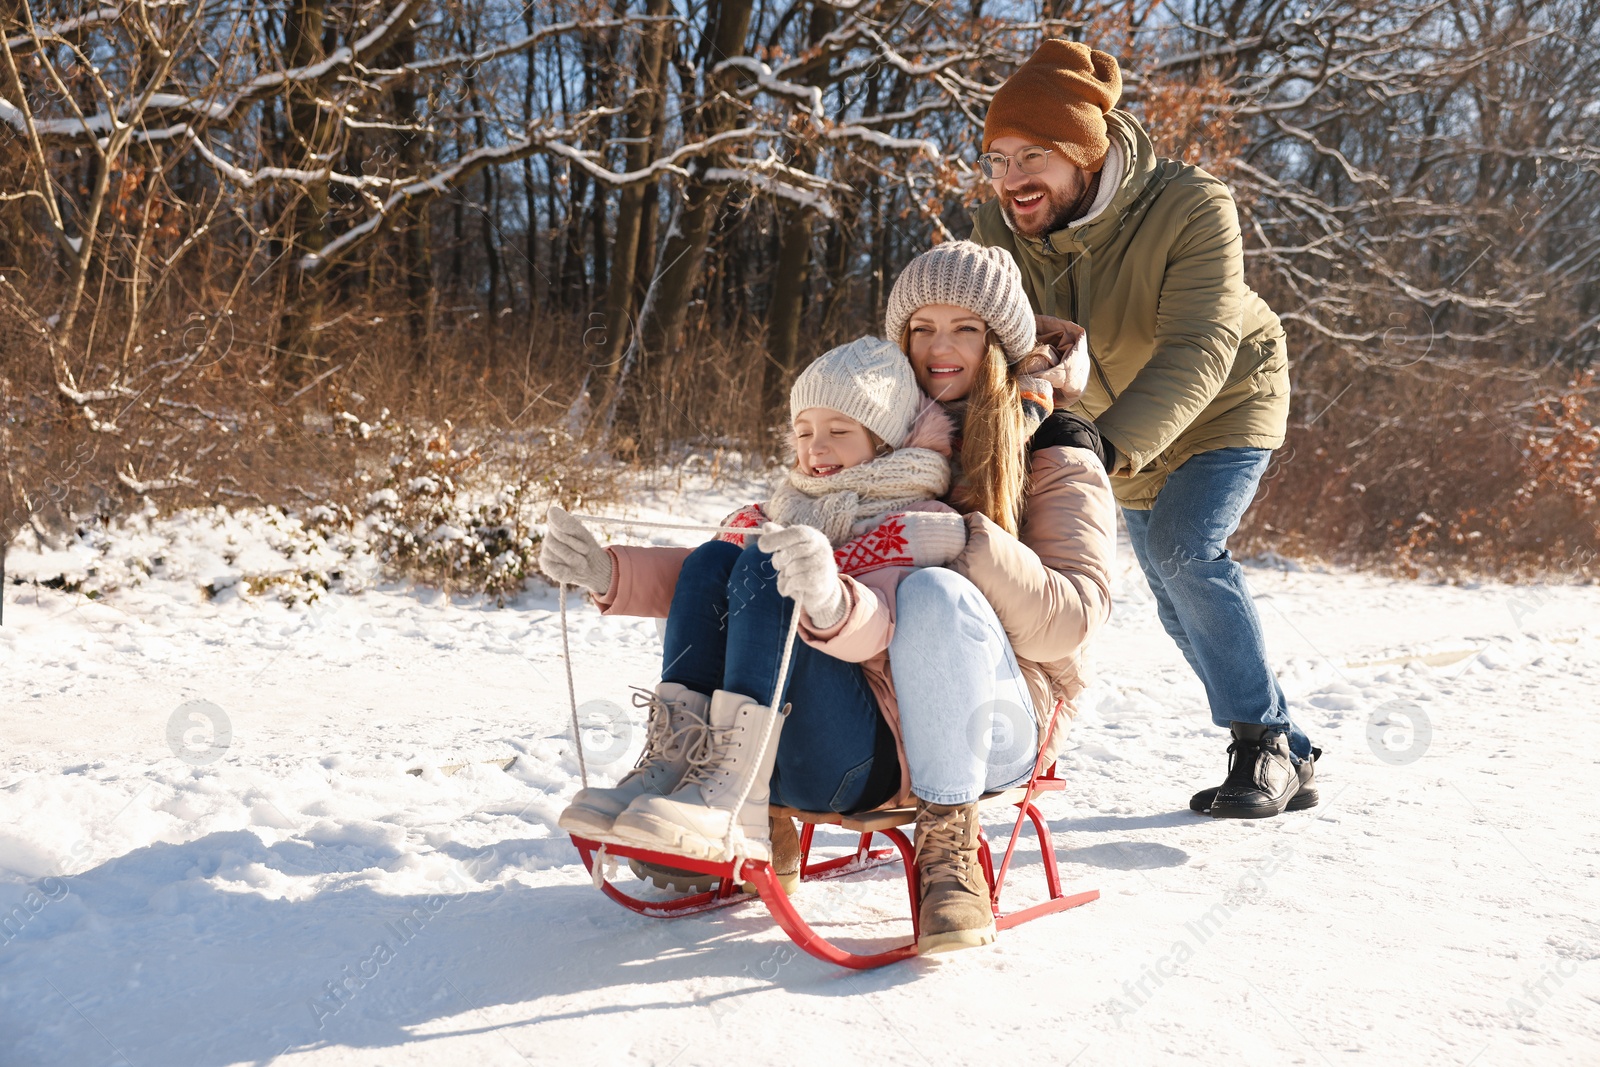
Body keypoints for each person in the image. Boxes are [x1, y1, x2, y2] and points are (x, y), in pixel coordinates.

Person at [968, 38, 1320, 818]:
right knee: (1169, 591)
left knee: (1184, 546)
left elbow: (1203, 342)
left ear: (1085, 155)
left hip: (1225, 398)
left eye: (1032, 155)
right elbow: (975, 341)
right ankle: (1289, 746)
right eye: (995, 157)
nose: (1009, 178)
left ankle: (1260, 741)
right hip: (1109, 423)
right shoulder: (999, 235)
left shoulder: (1191, 205)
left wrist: (1110, 443)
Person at [540, 337, 967, 897]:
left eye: (840, 431)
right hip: (755, 761)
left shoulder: (918, 522)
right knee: (717, 558)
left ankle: (732, 808)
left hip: (853, 761)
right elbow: (702, 587)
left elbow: (885, 623)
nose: (817, 448)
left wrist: (830, 598)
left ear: (882, 442)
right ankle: (676, 769)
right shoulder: (776, 511)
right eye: (805, 431)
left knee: (765, 559)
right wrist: (606, 572)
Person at [878, 239, 1115, 952]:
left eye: (965, 329)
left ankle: (950, 847)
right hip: (885, 690)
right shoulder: (881, 429)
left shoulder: (1055, 440)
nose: (939, 349)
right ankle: (737, 797)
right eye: (922, 328)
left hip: (1007, 714)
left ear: (1002, 340)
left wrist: (968, 543)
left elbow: (1072, 620)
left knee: (935, 594)